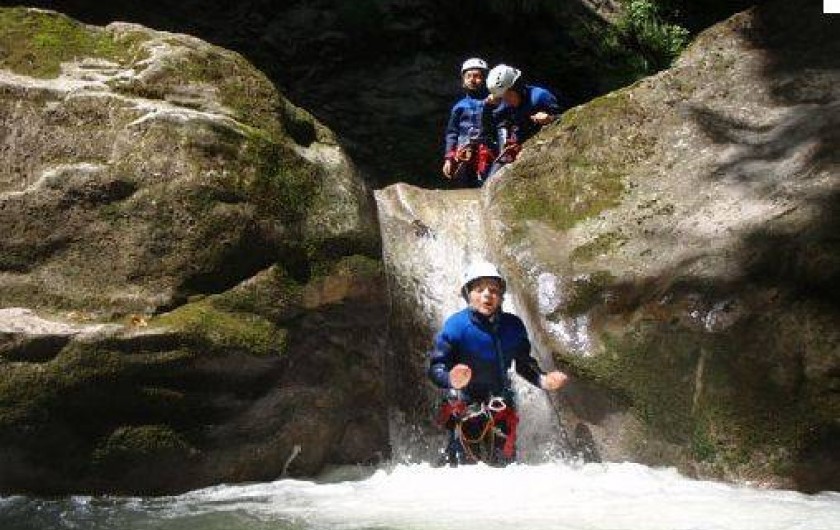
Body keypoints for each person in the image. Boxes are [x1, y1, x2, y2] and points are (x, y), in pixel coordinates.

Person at [427, 261, 569, 465]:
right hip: (465, 404)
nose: (487, 295)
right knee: (465, 468)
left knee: (505, 466)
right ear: (468, 294)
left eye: (493, 290)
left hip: (501, 402)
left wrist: (543, 380)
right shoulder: (456, 326)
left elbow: (523, 363)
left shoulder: (513, 326)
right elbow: (436, 367)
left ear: (501, 296)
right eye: (479, 290)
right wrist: (450, 378)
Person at [484, 64, 564, 176]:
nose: (506, 100)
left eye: (508, 95)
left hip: (543, 147)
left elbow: (565, 121)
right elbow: (487, 128)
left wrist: (550, 118)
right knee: (492, 177)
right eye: (503, 97)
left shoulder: (540, 97)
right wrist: (487, 106)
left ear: (517, 88)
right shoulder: (505, 105)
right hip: (518, 148)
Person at [441, 58, 496, 187]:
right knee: (464, 184)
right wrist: (449, 158)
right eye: (468, 76)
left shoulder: (494, 102)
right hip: (464, 153)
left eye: (477, 76)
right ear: (463, 80)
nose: (472, 80)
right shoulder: (459, 106)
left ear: (485, 79)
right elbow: (452, 133)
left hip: (488, 151)